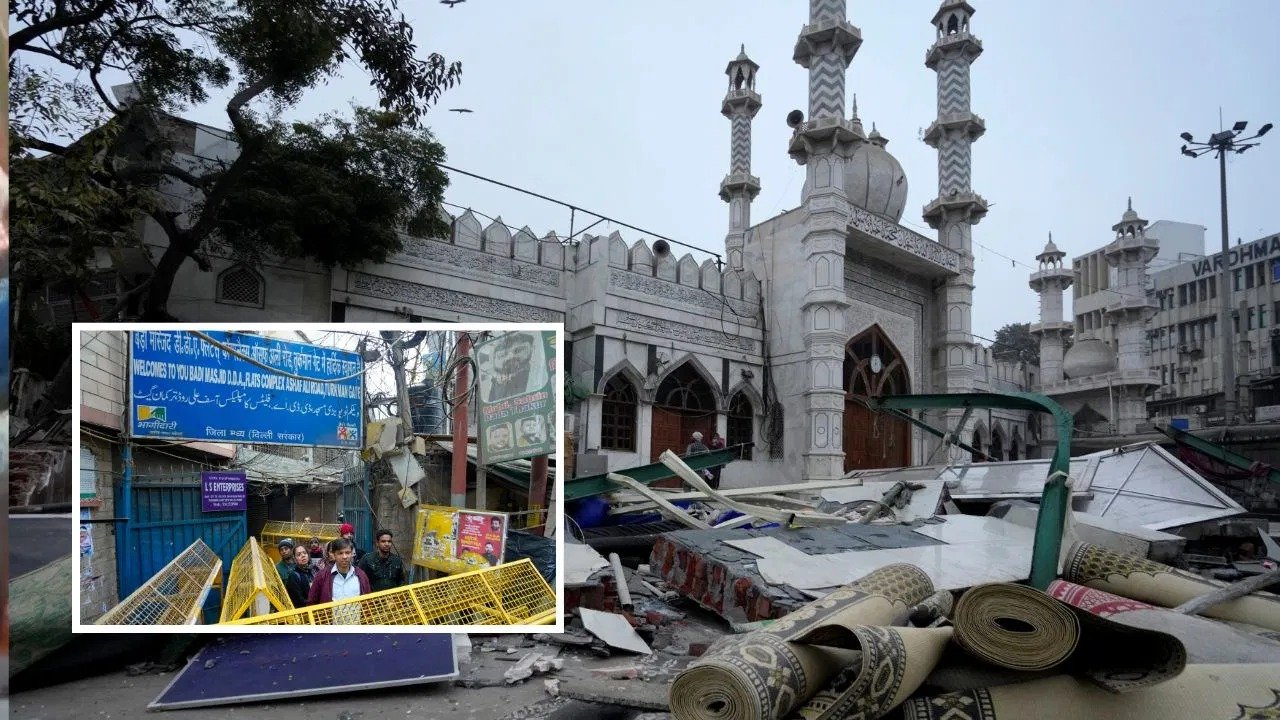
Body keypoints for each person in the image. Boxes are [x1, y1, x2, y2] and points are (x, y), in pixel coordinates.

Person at [307, 537, 370, 607]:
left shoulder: (361, 575)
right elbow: (312, 602)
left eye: (347, 552)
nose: (344, 556)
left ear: (352, 554)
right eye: (340, 553)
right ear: (334, 555)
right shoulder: (322, 576)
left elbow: (368, 603)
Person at [357, 529, 407, 593]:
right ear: (377, 543)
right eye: (383, 541)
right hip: (373, 599)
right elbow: (359, 579)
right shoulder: (367, 559)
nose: (387, 544)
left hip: (392, 599)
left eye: (389, 541)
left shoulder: (396, 560)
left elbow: (401, 581)